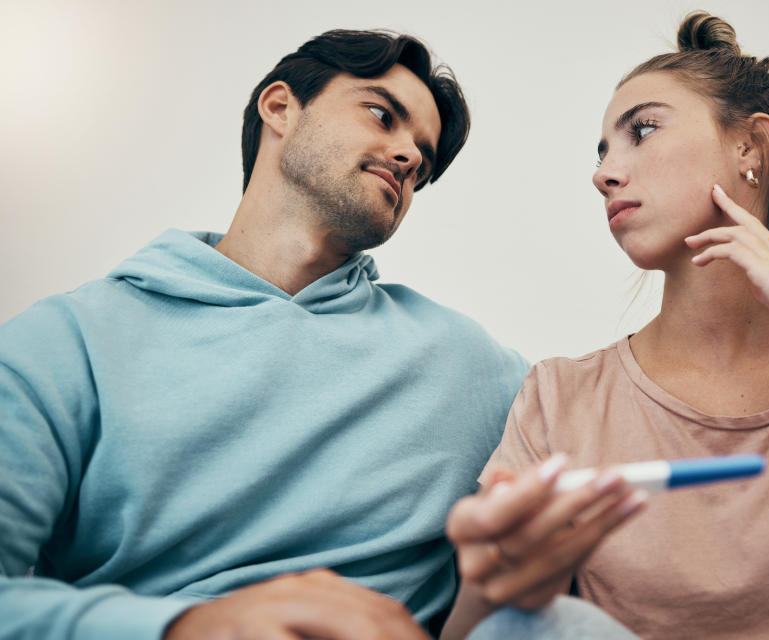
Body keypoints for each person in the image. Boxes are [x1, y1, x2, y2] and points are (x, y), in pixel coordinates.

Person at [442, 12, 769, 640]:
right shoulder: (559, 397)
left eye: (643, 130)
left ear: (748, 146)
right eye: (604, 150)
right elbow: (484, 630)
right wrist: (492, 588)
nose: (603, 172)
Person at [0, 30, 530, 640]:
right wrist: (188, 626)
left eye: (424, 157)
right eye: (383, 115)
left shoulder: (473, 367)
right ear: (280, 106)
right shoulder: (66, 343)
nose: (408, 156)